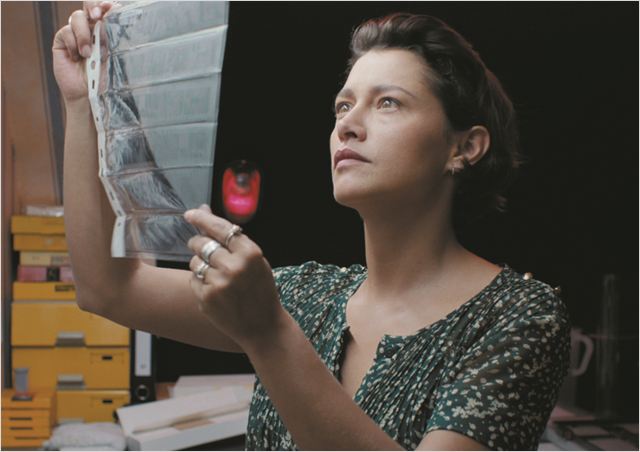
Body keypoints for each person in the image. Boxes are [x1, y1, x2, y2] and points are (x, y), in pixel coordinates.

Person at [53, 3, 570, 450]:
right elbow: (108, 289)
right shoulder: (307, 296)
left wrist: (269, 334)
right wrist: (82, 102)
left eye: (388, 102)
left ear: (464, 147)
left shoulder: (519, 317)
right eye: (343, 105)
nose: (347, 124)